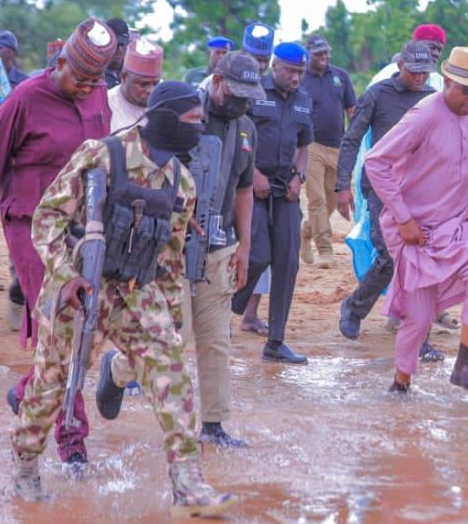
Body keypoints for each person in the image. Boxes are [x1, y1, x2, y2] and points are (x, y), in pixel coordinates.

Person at [12, 80, 237, 517]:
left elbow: (170, 259)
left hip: (135, 292)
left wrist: (170, 320)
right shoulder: (102, 155)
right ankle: (25, 466)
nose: (200, 128)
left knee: (173, 375)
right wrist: (67, 276)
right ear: (165, 118)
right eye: (192, 120)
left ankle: (188, 482)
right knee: (51, 385)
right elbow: (47, 218)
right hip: (78, 287)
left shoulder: (181, 183)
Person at [100, 52, 263, 448]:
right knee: (175, 337)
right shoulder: (181, 111)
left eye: (248, 96)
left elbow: (244, 189)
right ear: (218, 81)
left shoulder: (245, 128)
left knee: (216, 338)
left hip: (219, 245)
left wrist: (245, 245)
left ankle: (214, 424)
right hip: (168, 245)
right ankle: (118, 369)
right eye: (236, 94)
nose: (242, 103)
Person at [0, 18, 116, 469]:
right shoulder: (25, 98)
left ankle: (26, 390)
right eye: (79, 78)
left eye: (95, 81)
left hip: (82, 225)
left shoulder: (97, 96)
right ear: (59, 63)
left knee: (88, 323)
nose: (86, 88)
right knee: (61, 321)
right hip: (30, 223)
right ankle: (71, 437)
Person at [364, 46, 468, 393]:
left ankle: (464, 364)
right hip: (416, 232)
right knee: (419, 317)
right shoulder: (424, 115)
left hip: (458, 226)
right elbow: (376, 162)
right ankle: (401, 382)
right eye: (466, 89)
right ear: (447, 81)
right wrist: (403, 218)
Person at [335, 41, 442, 362]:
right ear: (400, 66)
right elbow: (352, 138)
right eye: (415, 71)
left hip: (418, 189)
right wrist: (341, 185)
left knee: (420, 261)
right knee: (389, 256)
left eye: (426, 72)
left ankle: (419, 337)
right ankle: (354, 307)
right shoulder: (378, 95)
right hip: (381, 186)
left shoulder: (432, 101)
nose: (421, 77)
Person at [231, 42, 312, 364]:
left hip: (286, 191)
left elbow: (305, 144)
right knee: (258, 255)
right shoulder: (253, 93)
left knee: (288, 263)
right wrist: (254, 175)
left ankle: (276, 341)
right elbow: (239, 139)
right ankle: (230, 305)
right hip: (253, 188)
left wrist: (300, 177)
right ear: (275, 67)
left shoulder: (304, 101)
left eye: (300, 73)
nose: (295, 78)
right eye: (290, 71)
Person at [299, 34, 356, 267]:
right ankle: (325, 249)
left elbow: (352, 109)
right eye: (318, 54)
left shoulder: (340, 77)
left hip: (338, 145)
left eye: (325, 53)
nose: (323, 57)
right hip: (311, 144)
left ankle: (306, 231)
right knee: (317, 199)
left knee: (332, 200)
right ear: (308, 55)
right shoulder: (301, 79)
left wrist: (354, 138)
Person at [234, 22, 276, 333]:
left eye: (264, 59)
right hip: (231, 180)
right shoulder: (220, 82)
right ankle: (220, 315)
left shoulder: (273, 87)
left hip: (262, 185)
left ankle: (250, 314)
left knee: (262, 250)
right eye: (255, 58)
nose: (260, 65)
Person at [108, 37, 163, 132]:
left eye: (155, 83)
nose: (151, 90)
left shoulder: (166, 103)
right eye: (144, 84)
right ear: (124, 77)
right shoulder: (105, 105)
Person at [103, 18, 131, 89]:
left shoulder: (133, 74)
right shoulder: (93, 75)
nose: (120, 50)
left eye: (123, 44)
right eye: (116, 44)